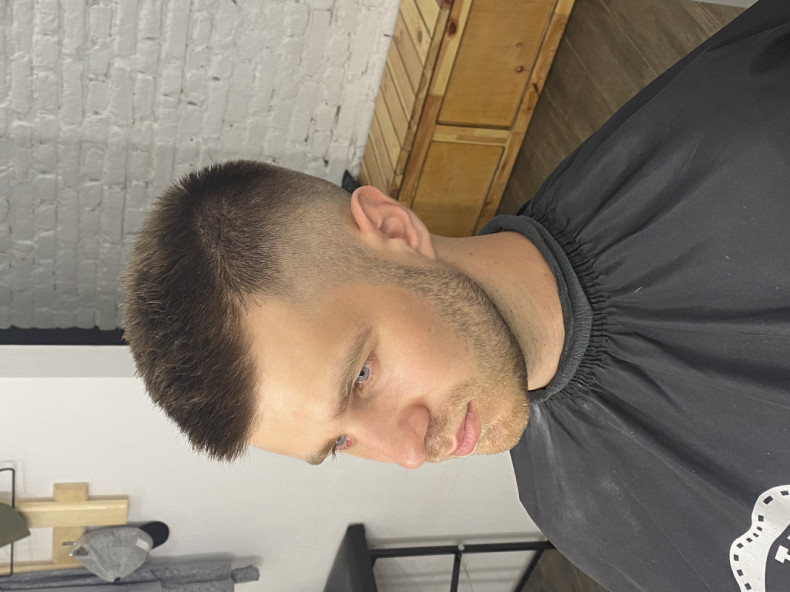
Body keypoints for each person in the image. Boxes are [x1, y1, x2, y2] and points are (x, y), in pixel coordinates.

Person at [123, 1, 790, 590]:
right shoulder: (563, 507)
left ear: (393, 229)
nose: (410, 453)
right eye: (342, 443)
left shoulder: (757, 155)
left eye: (362, 376)